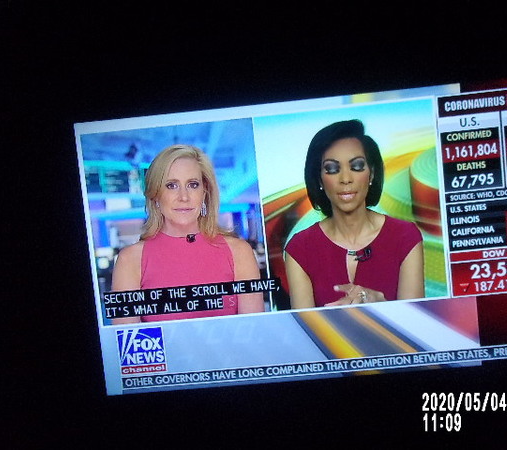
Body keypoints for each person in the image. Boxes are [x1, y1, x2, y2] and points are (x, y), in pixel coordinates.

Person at [111, 144, 264, 322]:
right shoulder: (129, 260)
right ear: (156, 195)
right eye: (171, 185)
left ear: (204, 192)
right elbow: (128, 338)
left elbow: (254, 332)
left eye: (193, 185)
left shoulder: (239, 252)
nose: (184, 197)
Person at [284, 120, 424, 308]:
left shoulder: (405, 237)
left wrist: (383, 304)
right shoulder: (300, 249)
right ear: (319, 180)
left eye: (357, 166)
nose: (345, 179)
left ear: (371, 174)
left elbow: (414, 322)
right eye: (332, 169)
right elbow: (305, 325)